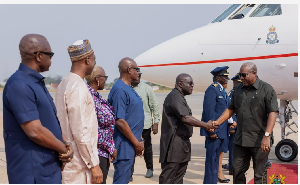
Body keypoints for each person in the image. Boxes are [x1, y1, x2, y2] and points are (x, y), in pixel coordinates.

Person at [2, 34, 73, 183]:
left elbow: (50, 121)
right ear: (39, 56)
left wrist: (66, 142)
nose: (51, 59)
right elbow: (34, 131)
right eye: (50, 55)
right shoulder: (19, 84)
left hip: (47, 168)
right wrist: (63, 149)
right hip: (32, 173)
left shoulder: (36, 83)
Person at [215, 62, 278, 184]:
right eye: (240, 75)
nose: (241, 78)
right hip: (241, 140)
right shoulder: (238, 89)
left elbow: (273, 113)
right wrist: (218, 122)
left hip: (260, 140)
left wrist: (267, 135)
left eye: (244, 75)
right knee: (237, 171)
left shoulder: (266, 89)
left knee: (259, 174)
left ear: (254, 73)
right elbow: (230, 109)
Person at [55, 40, 103, 184]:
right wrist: (94, 165)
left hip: (70, 162)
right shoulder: (78, 88)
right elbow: (81, 131)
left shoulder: (64, 83)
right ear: (87, 60)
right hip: (80, 167)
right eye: (94, 59)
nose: (94, 63)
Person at [159, 73, 217, 184]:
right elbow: (185, 118)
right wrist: (206, 125)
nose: (192, 86)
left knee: (178, 179)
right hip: (173, 145)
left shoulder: (179, 97)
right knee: (168, 178)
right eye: (190, 83)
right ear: (180, 84)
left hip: (181, 144)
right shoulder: (175, 96)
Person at [108, 57, 144, 184]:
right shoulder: (119, 90)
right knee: (121, 181)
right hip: (124, 145)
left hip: (130, 144)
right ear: (129, 70)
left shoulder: (128, 88)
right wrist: (136, 143)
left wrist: (139, 140)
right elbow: (120, 121)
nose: (139, 72)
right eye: (137, 69)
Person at [85, 65, 117, 184]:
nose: (106, 80)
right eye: (105, 77)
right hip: (96, 153)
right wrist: (110, 147)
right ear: (97, 79)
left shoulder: (96, 97)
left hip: (103, 153)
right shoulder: (89, 98)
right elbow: (91, 130)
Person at [200, 66, 230, 184]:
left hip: (222, 131)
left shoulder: (221, 90)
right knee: (211, 161)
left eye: (227, 76)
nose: (227, 78)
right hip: (215, 132)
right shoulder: (212, 89)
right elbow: (209, 112)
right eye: (224, 76)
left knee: (216, 160)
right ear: (217, 77)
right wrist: (211, 131)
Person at [131, 73, 160, 179]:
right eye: (136, 75)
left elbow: (154, 105)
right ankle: (129, 172)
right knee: (131, 148)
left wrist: (156, 122)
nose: (138, 77)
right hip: (131, 126)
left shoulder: (146, 88)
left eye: (140, 75)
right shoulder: (127, 87)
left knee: (147, 148)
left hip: (145, 124)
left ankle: (150, 168)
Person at [227, 74, 242, 175]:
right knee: (233, 147)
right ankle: (232, 167)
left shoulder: (239, 92)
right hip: (235, 124)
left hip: (241, 124)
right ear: (235, 83)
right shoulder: (233, 93)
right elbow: (229, 109)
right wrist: (232, 124)